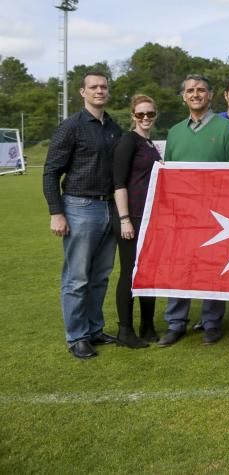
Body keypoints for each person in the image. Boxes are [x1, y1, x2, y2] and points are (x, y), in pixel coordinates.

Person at [43, 71, 124, 359]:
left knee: (100, 276)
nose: (99, 91)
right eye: (94, 87)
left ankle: (94, 329)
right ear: (83, 92)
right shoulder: (72, 127)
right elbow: (52, 171)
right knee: (77, 278)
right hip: (79, 207)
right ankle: (77, 336)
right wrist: (57, 212)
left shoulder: (114, 127)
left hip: (108, 207)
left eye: (104, 86)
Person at [158, 74, 229, 347]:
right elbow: (169, 176)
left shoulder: (226, 129)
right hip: (182, 215)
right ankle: (176, 322)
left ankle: (211, 322)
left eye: (201, 90)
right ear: (183, 96)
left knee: (212, 267)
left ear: (210, 95)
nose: (195, 94)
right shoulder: (174, 132)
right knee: (180, 267)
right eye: (190, 91)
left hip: (216, 215)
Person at [111, 94, 161, 349]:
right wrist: (124, 219)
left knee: (148, 271)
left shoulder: (151, 144)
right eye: (140, 114)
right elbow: (119, 183)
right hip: (131, 217)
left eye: (150, 114)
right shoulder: (128, 140)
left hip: (149, 217)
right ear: (133, 116)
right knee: (130, 272)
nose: (145, 118)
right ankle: (125, 330)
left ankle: (148, 325)